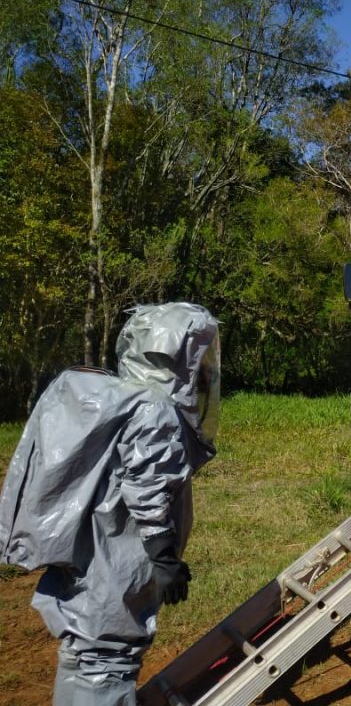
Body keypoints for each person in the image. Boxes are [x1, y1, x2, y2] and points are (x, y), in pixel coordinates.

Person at [0, 302, 220, 706]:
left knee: (85, 651)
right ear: (174, 355)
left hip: (94, 550)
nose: (205, 369)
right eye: (198, 355)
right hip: (119, 558)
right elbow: (148, 487)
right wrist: (164, 557)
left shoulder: (118, 398)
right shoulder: (155, 410)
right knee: (108, 658)